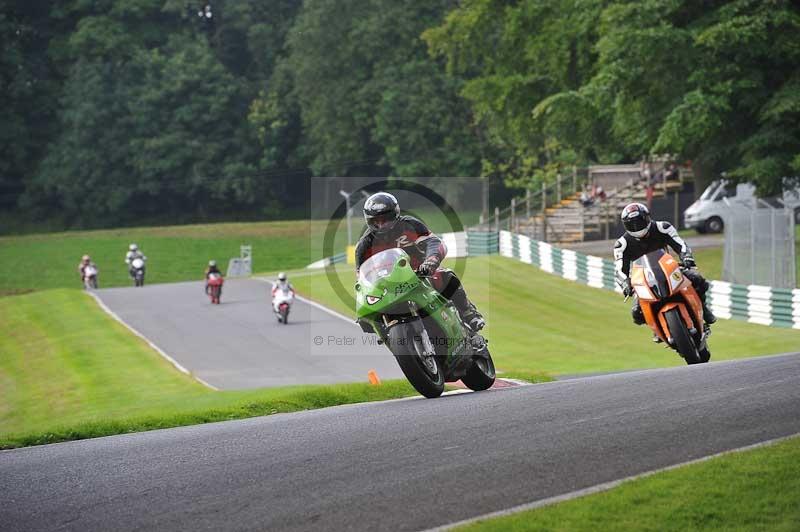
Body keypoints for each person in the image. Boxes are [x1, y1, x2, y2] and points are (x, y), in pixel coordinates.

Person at [355, 191, 485, 332]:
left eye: (385, 219)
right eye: (376, 221)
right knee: (371, 318)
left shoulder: (410, 225)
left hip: (420, 275)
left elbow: (434, 243)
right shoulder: (364, 245)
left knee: (446, 276)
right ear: (369, 221)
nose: (381, 225)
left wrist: (431, 261)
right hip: (390, 287)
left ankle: (468, 313)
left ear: (394, 214)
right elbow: (363, 278)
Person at [614, 203, 716, 329]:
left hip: (669, 268)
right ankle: (656, 327)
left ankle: (704, 309)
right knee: (636, 313)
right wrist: (625, 283)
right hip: (643, 280)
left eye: (639, 222)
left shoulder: (663, 227)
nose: (637, 227)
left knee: (697, 279)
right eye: (632, 224)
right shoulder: (621, 244)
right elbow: (620, 269)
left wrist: (686, 257)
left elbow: (680, 244)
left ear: (647, 217)